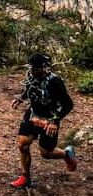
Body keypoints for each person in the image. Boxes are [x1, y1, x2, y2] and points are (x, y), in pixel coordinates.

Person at [10, 53, 77, 188]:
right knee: (23, 144)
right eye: (30, 67)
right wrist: (21, 98)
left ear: (44, 68)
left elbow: (68, 104)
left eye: (34, 68)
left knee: (46, 153)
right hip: (33, 114)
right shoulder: (32, 76)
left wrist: (54, 121)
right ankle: (25, 177)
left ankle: (67, 154)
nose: (31, 70)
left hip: (50, 118)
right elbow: (30, 87)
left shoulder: (55, 81)